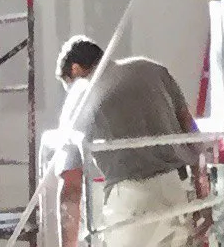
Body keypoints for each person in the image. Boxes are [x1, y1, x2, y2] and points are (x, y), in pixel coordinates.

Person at [50, 33, 204, 247]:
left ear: (75, 69)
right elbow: (192, 132)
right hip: (177, 190)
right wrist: (203, 199)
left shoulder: (80, 93)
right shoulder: (152, 69)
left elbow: (71, 185)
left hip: (132, 203)